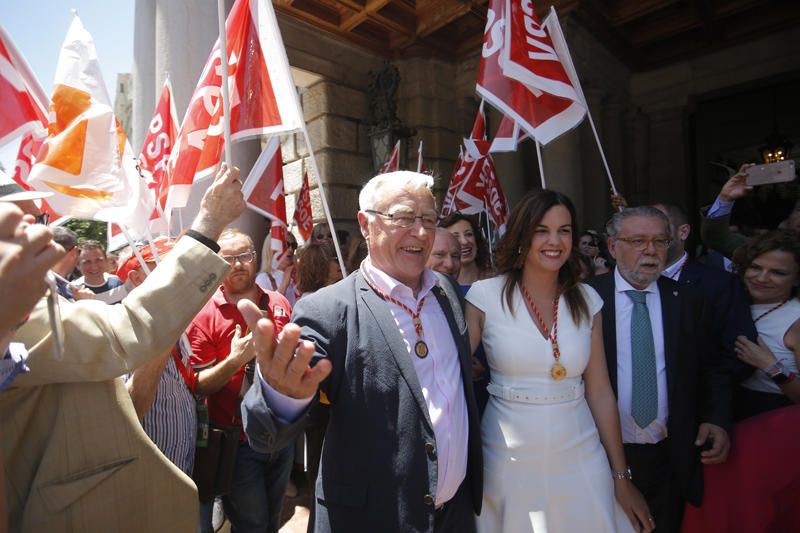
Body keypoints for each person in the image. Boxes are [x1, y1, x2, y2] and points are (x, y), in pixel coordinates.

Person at [0, 164, 245, 532]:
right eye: (21, 225)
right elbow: (128, 331)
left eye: (38, 218)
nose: (42, 234)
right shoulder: (18, 315)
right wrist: (209, 223)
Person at [241, 171, 483, 532]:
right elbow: (268, 432)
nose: (420, 232)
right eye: (402, 217)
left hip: (455, 517)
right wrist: (280, 397)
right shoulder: (328, 310)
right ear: (366, 225)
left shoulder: (446, 292)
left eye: (429, 219)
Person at [465, 190, 651, 533]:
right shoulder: (483, 296)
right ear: (522, 234)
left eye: (564, 230)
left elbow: (600, 393)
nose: (554, 241)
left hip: (581, 453)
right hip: (507, 457)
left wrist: (621, 477)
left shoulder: (587, 299)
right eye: (541, 230)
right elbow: (453, 379)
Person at [586, 206, 734, 533]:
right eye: (638, 241)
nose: (651, 251)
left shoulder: (689, 301)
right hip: (602, 457)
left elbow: (711, 368)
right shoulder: (586, 300)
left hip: (671, 458)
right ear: (612, 247)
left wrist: (716, 418)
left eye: (659, 241)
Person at [188, 228, 294, 533]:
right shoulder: (204, 314)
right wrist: (236, 359)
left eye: (245, 255)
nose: (238, 264)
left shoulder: (278, 303)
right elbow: (199, 385)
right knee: (253, 525)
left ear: (255, 257)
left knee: (272, 520)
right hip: (238, 442)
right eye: (228, 258)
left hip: (281, 434)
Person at [119, 239, 198, 476]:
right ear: (136, 279)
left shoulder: (179, 317)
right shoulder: (125, 328)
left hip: (183, 449)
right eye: (166, 265)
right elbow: (131, 404)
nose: (180, 272)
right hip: (152, 463)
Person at [731, 230, 800, 418]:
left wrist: (771, 366)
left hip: (777, 421)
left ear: (796, 278)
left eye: (778, 272)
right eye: (755, 267)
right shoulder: (732, 303)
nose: (762, 278)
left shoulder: (796, 320)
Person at [441, 212, 492, 286]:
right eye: (455, 236)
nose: (464, 242)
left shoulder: (495, 280)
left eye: (468, 234)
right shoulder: (438, 286)